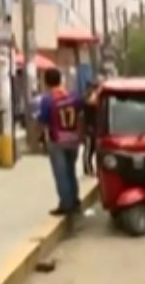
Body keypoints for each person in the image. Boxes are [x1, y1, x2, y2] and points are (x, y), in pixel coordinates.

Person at [38, 68, 83, 215]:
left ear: (46, 82)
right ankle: (75, 199)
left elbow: (43, 121)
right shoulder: (73, 96)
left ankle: (65, 204)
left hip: (57, 141)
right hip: (73, 139)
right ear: (60, 79)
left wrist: (42, 138)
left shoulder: (47, 100)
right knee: (71, 170)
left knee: (61, 174)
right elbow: (81, 111)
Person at [82, 82, 100, 176]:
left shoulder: (96, 98)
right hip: (89, 128)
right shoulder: (87, 98)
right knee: (89, 149)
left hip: (96, 128)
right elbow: (90, 103)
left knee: (94, 150)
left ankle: (93, 168)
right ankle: (87, 168)